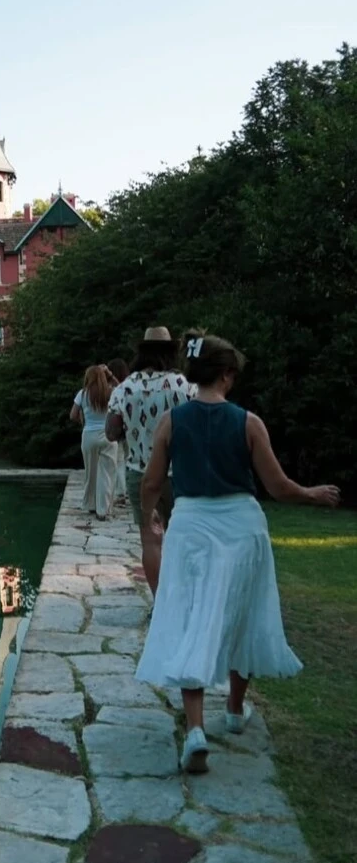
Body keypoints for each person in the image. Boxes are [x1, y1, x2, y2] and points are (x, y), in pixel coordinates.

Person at [135, 332, 339, 774]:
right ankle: (233, 708)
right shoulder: (249, 423)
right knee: (244, 614)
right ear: (226, 374)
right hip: (242, 528)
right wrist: (312, 494)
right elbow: (278, 486)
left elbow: (152, 481)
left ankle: (194, 729)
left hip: (191, 527)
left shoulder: (172, 422)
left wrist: (148, 517)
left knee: (190, 619)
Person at [106, 327, 195, 596]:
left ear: (142, 352)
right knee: (181, 539)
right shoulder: (184, 385)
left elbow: (111, 432)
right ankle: (183, 599)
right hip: (179, 473)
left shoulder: (125, 388)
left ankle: (160, 603)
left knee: (150, 540)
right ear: (170, 353)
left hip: (140, 473)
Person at [77, 365, 119, 519]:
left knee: (91, 473)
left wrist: (84, 420)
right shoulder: (110, 392)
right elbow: (124, 389)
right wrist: (110, 374)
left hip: (88, 436)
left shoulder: (82, 394)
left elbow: (73, 414)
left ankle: (91, 505)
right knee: (107, 473)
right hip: (108, 435)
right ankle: (103, 509)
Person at [106, 358, 130, 503]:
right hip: (130, 427)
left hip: (117, 427)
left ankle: (121, 492)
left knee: (119, 460)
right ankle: (126, 489)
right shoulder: (129, 387)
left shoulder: (112, 389)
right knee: (127, 459)